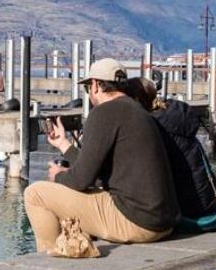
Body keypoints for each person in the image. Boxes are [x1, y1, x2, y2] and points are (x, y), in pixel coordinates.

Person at [24, 58, 180, 253]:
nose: (89, 92)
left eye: (88, 87)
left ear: (96, 85)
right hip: (163, 221)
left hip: (137, 222)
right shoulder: (137, 111)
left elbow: (80, 180)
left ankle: (48, 258)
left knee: (35, 193)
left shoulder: (104, 113)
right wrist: (64, 144)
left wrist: (58, 175)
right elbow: (96, 171)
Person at [125, 77, 216, 227]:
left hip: (187, 211)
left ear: (135, 99)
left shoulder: (152, 125)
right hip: (210, 205)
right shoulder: (174, 116)